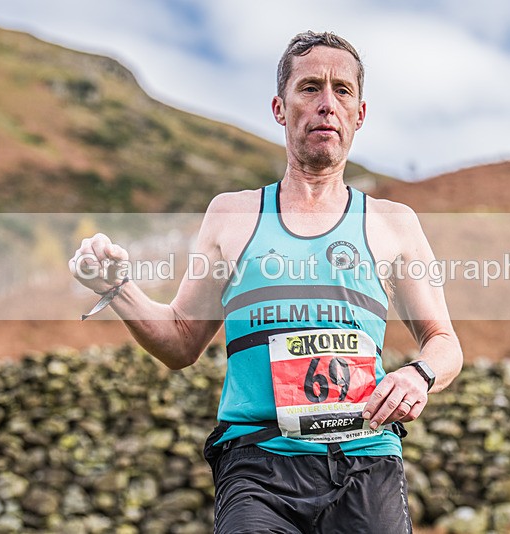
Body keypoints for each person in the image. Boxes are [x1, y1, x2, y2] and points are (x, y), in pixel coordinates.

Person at [69, 30, 463, 533]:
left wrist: (418, 375)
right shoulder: (231, 215)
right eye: (309, 88)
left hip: (366, 458)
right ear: (280, 108)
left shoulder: (394, 223)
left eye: (342, 91)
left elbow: (444, 342)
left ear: (360, 114)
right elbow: (181, 341)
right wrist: (117, 287)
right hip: (257, 464)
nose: (327, 104)